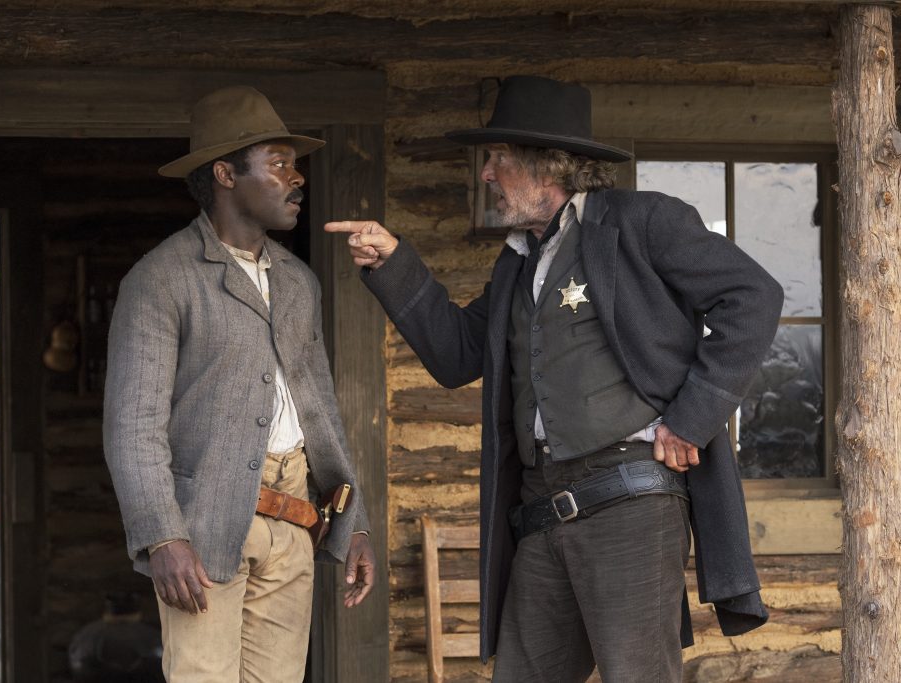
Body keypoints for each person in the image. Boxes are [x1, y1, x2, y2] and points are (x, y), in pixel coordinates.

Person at [326, 75, 782, 682]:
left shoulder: (641, 221)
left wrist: (693, 417)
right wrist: (394, 266)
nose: (487, 173)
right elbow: (459, 353)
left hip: (631, 502)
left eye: (498, 159)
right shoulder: (517, 263)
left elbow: (753, 297)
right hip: (542, 515)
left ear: (547, 166)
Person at [104, 85, 375, 683]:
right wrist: (161, 536)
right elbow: (132, 425)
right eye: (278, 163)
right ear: (226, 174)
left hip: (295, 520)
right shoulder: (161, 279)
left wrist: (353, 520)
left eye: (293, 164)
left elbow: (319, 409)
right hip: (202, 532)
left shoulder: (300, 281)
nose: (297, 178)